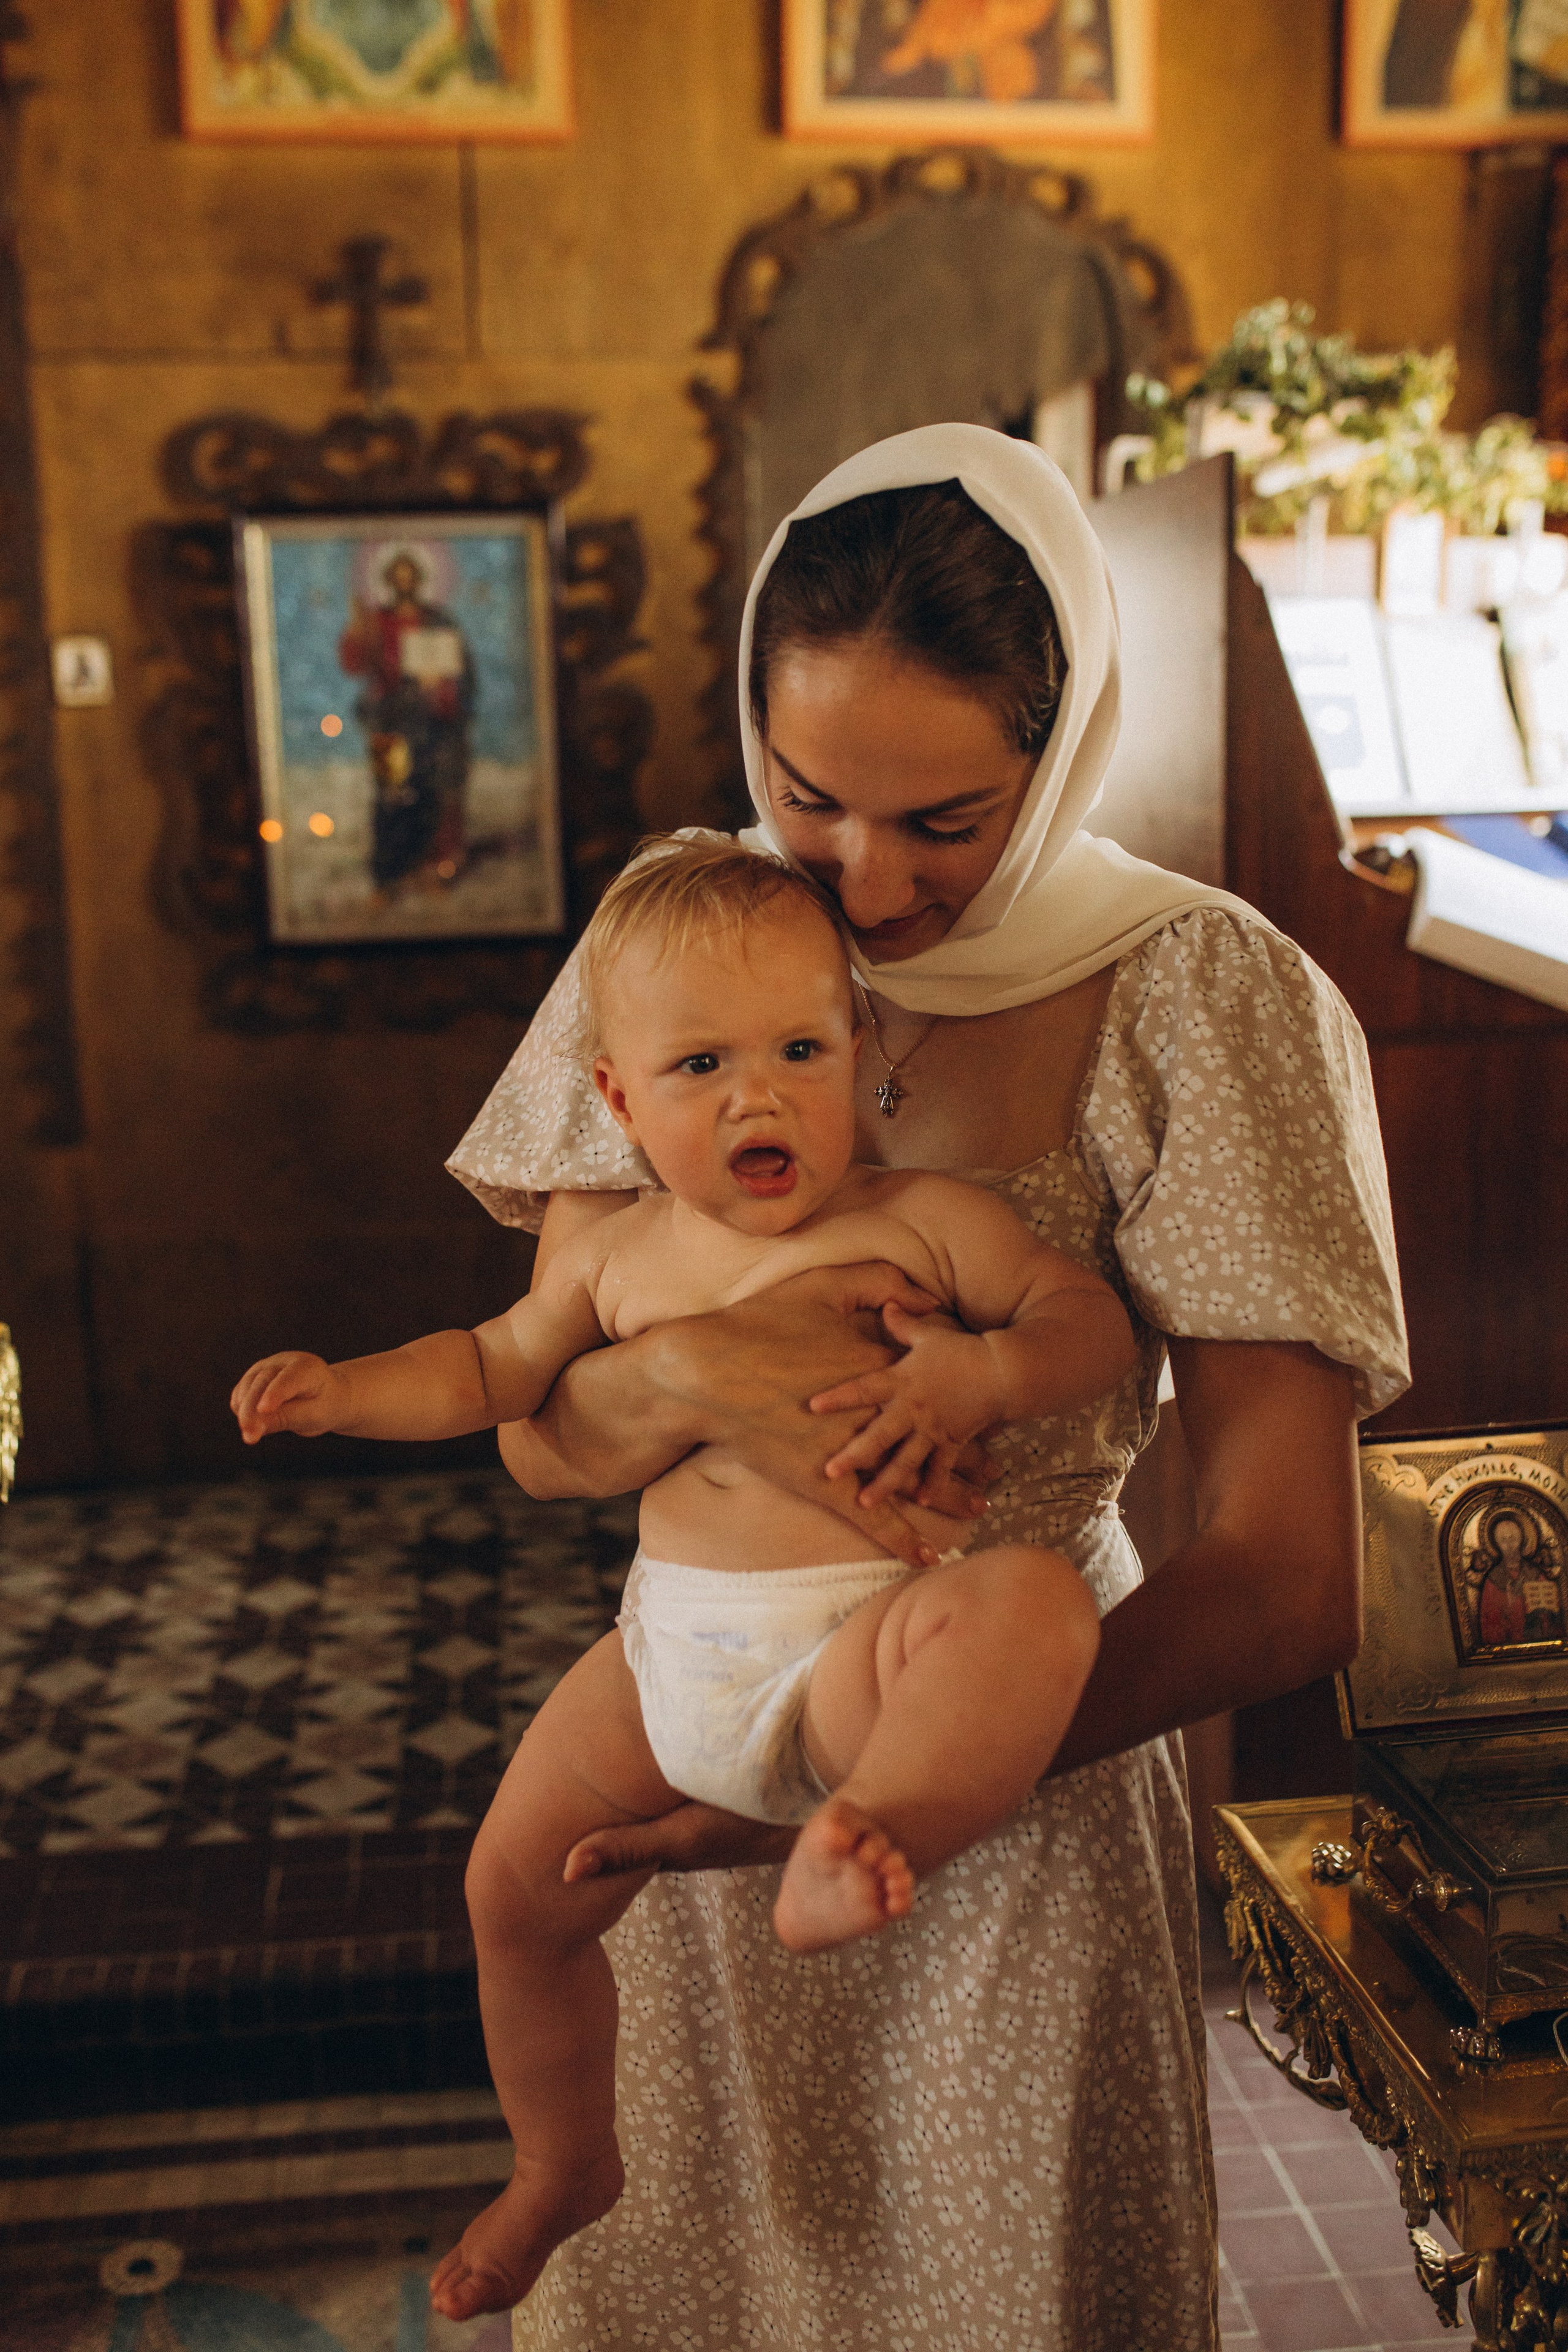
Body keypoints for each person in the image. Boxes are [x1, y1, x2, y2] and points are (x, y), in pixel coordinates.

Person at [447, 424, 1411, 2350]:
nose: (864, 885)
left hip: (1005, 1801)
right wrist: (706, 1379)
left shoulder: (1200, 995)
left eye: (945, 821)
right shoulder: (684, 936)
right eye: (808, 797)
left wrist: (891, 1783)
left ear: (1059, 757)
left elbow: (1293, 1571)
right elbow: (544, 1425)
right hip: (702, 1716)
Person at [232, 834, 1128, 2316]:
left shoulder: (920, 1215)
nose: (757, 1094)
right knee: (510, 1893)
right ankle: (560, 2158)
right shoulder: (613, 1255)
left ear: (858, 1052)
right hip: (660, 1674)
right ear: (616, 1100)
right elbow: (486, 1372)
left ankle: (872, 1827)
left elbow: (1081, 1318)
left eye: (797, 1047)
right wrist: (341, 1392)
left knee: (1029, 1605)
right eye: (700, 1063)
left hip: (857, 1659)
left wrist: (987, 1368)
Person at [339, 545, 475, 892]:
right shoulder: (376, 622)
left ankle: (432, 871)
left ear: (420, 580)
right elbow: (355, 665)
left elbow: (464, 672)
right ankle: (390, 877)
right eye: (397, 578)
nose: (404, 584)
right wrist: (357, 633)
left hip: (434, 725)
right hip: (389, 724)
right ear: (388, 582)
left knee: (434, 794)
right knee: (391, 795)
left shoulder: (439, 622)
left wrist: (444, 688)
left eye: (410, 577)